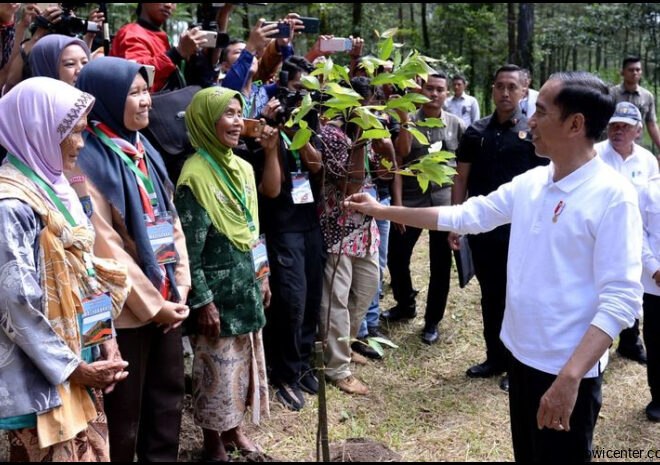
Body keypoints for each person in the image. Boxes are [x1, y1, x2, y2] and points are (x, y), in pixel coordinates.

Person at [345, 71, 643, 462]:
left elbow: (621, 298)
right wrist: (383, 210)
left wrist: (570, 378)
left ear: (575, 124)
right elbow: (470, 214)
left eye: (539, 111)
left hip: (566, 369)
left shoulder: (613, 196)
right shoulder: (534, 182)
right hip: (521, 355)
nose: (529, 120)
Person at [0, 77, 131, 461]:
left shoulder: (57, 188)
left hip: (79, 360)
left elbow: (83, 272)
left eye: (82, 132)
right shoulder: (12, 205)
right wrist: (72, 367)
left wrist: (103, 338)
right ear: (39, 130)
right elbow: (16, 304)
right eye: (71, 133)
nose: (80, 143)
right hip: (40, 378)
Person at [75, 57, 191, 462]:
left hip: (166, 298)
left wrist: (182, 284)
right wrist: (155, 306)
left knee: (168, 403)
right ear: (105, 98)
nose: (146, 102)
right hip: (126, 311)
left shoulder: (145, 149)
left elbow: (171, 219)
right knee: (125, 417)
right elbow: (104, 247)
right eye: (134, 93)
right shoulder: (85, 161)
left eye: (147, 91)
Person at [175, 87, 273, 462]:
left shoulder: (244, 167)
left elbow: (252, 229)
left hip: (245, 288)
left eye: (239, 112)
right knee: (213, 372)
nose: (237, 121)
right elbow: (188, 250)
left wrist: (262, 274)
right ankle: (213, 441)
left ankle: (234, 430)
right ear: (205, 120)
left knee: (240, 369)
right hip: (216, 297)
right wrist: (202, 301)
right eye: (228, 114)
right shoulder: (194, 176)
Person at [451, 64, 547, 391]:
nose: (505, 93)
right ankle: (494, 357)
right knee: (490, 296)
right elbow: (460, 177)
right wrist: (456, 220)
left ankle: (516, 364)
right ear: (492, 89)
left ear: (524, 91)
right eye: (499, 86)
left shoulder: (534, 134)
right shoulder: (475, 132)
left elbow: (547, 182)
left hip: (522, 233)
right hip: (484, 231)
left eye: (512, 87)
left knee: (517, 298)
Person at [385, 71, 466, 347]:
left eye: (439, 90)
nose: (434, 94)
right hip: (410, 201)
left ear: (446, 93)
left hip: (443, 204)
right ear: (420, 90)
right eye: (429, 88)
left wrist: (460, 207)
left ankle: (432, 321)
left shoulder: (456, 125)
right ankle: (405, 303)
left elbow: (463, 170)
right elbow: (400, 158)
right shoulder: (408, 120)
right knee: (396, 256)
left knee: (440, 265)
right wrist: (397, 205)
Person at [317, 82, 382, 396]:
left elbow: (387, 171)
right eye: (364, 105)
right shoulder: (331, 135)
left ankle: (345, 345)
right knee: (336, 302)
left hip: (365, 230)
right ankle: (337, 368)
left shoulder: (364, 134)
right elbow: (349, 185)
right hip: (338, 230)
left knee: (366, 289)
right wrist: (360, 141)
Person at [595, 101, 657, 366]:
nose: (618, 131)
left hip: (634, 235)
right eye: (614, 126)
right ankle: (599, 341)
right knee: (599, 285)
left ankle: (630, 341)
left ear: (638, 131)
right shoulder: (594, 154)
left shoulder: (647, 160)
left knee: (631, 285)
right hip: (598, 232)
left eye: (625, 127)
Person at [111, 3, 207, 92]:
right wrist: (177, 53)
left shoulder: (163, 36)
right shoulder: (131, 33)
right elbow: (138, 73)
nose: (168, 5)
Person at [639, 177, 660, 422]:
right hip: (656, 284)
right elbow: (638, 233)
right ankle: (658, 395)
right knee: (656, 342)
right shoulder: (648, 190)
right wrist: (654, 268)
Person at [611, 56, 660, 151]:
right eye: (631, 70)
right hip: (614, 144)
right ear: (622, 72)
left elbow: (651, 124)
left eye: (638, 70)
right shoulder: (612, 94)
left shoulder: (647, 96)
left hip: (637, 146)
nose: (635, 73)